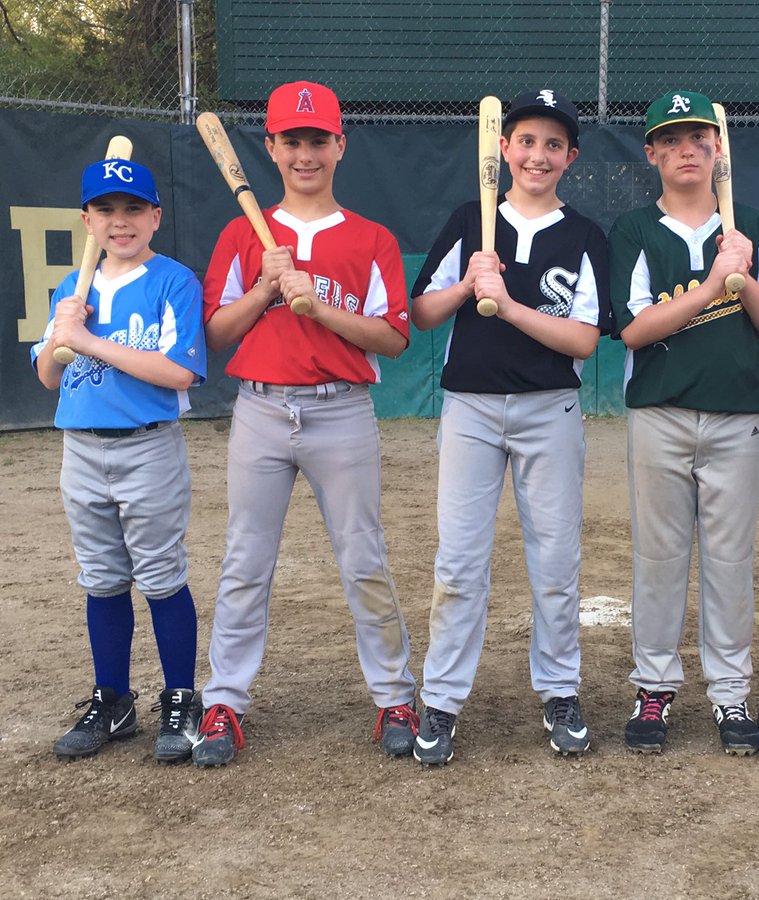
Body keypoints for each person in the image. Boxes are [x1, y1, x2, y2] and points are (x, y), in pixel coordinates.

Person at [192, 80, 419, 767]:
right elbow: (216, 332)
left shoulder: (372, 239)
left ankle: (393, 697)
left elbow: (393, 338)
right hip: (260, 409)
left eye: (318, 139)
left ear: (339, 146)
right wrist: (265, 288)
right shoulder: (243, 233)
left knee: (364, 559)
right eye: (292, 140)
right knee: (244, 561)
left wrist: (320, 310)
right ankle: (224, 702)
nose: (305, 153)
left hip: (341, 411)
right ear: (271, 148)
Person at [408, 89, 611, 765]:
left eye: (553, 144)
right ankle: (440, 700)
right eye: (526, 141)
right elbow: (424, 313)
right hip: (470, 407)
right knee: (459, 563)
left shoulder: (585, 236)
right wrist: (469, 285)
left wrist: (511, 306)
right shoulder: (473, 220)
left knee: (555, 562)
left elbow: (583, 341)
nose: (538, 155)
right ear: (504, 148)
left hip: (548, 408)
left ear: (570, 157)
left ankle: (559, 691)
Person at [608, 90, 759, 755]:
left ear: (718, 150)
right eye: (673, 140)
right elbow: (632, 331)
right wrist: (715, 283)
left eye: (699, 138)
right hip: (658, 413)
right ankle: (654, 687)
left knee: (730, 560)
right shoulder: (635, 230)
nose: (688, 149)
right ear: (653, 153)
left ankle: (728, 692)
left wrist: (750, 283)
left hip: (736, 415)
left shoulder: (755, 230)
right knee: (659, 558)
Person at [32, 158, 207, 763]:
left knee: (160, 573)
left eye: (133, 208)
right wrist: (61, 336)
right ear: (87, 221)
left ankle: (182, 698)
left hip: (147, 445)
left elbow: (178, 370)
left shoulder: (173, 281)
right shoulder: (70, 289)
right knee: (101, 578)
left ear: (155, 216)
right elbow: (48, 377)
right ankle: (113, 700)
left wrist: (85, 341)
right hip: (80, 447)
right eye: (105, 210)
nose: (120, 221)